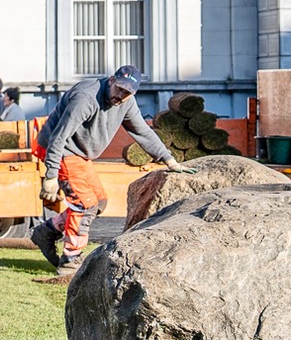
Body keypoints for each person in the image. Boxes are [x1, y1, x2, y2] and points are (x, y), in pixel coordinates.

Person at [30, 64, 191, 271]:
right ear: (112, 80)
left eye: (127, 93)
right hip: (60, 149)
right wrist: (51, 176)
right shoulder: (85, 98)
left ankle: (47, 231)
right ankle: (70, 259)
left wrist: (168, 159)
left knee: (98, 202)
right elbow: (58, 137)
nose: (121, 96)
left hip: (79, 153)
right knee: (84, 204)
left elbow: (142, 131)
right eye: (119, 89)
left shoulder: (126, 102)